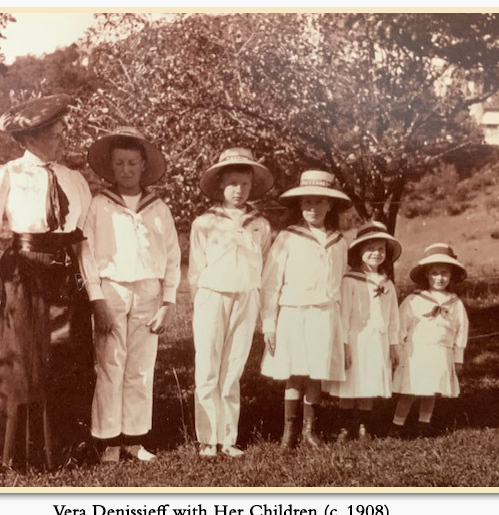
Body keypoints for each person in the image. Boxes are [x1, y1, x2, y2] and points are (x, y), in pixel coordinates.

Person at [0, 94, 94, 470]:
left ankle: (64, 450)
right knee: (23, 364)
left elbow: (84, 236)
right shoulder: (4, 176)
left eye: (62, 129)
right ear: (31, 137)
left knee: (66, 358)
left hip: (66, 275)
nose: (63, 136)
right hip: (23, 274)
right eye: (55, 131)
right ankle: (19, 454)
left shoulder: (73, 179)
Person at [80, 126, 181, 463]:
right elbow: (88, 255)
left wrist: (168, 301)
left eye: (132, 163)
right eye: (119, 163)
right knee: (111, 363)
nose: (126, 170)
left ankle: (135, 440)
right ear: (111, 167)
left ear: (143, 166)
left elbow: (172, 256)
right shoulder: (99, 206)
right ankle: (108, 440)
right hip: (112, 290)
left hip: (149, 292)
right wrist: (97, 299)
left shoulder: (158, 208)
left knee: (140, 367)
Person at [189, 148, 274, 458]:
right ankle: (207, 439)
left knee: (234, 366)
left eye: (245, 184)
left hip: (246, 296)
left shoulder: (260, 224)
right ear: (221, 184)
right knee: (208, 366)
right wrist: (200, 300)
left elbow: (263, 266)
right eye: (233, 183)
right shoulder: (204, 223)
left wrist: (264, 308)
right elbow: (196, 269)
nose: (239, 191)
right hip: (213, 295)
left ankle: (228, 437)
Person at [260, 170, 351, 451]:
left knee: (315, 371)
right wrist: (269, 323)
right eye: (306, 202)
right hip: (293, 312)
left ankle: (310, 431)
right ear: (300, 206)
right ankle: (289, 432)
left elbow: (340, 286)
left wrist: (342, 330)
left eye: (318, 202)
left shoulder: (339, 241)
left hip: (324, 314)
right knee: (294, 371)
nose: (312, 208)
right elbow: (271, 281)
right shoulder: (288, 237)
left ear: (330, 205)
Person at [323, 222, 402, 441]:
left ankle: (364, 426)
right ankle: (345, 426)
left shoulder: (387, 284)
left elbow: (393, 317)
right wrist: (344, 345)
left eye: (381, 249)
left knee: (369, 382)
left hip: (378, 339)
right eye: (370, 248)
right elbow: (344, 315)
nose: (376, 253)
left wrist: (394, 344)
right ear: (360, 251)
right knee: (350, 383)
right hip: (355, 339)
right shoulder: (349, 281)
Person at [391, 243, 470, 438]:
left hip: (440, 351)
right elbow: (401, 326)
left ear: (451, 275)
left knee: (431, 390)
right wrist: (398, 351)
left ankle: (423, 425)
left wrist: (458, 357)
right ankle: (397, 425)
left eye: (444, 273)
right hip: (416, 352)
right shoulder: (414, 300)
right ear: (426, 275)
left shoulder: (455, 302)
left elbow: (461, 330)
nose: (439, 278)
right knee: (409, 390)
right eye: (434, 273)